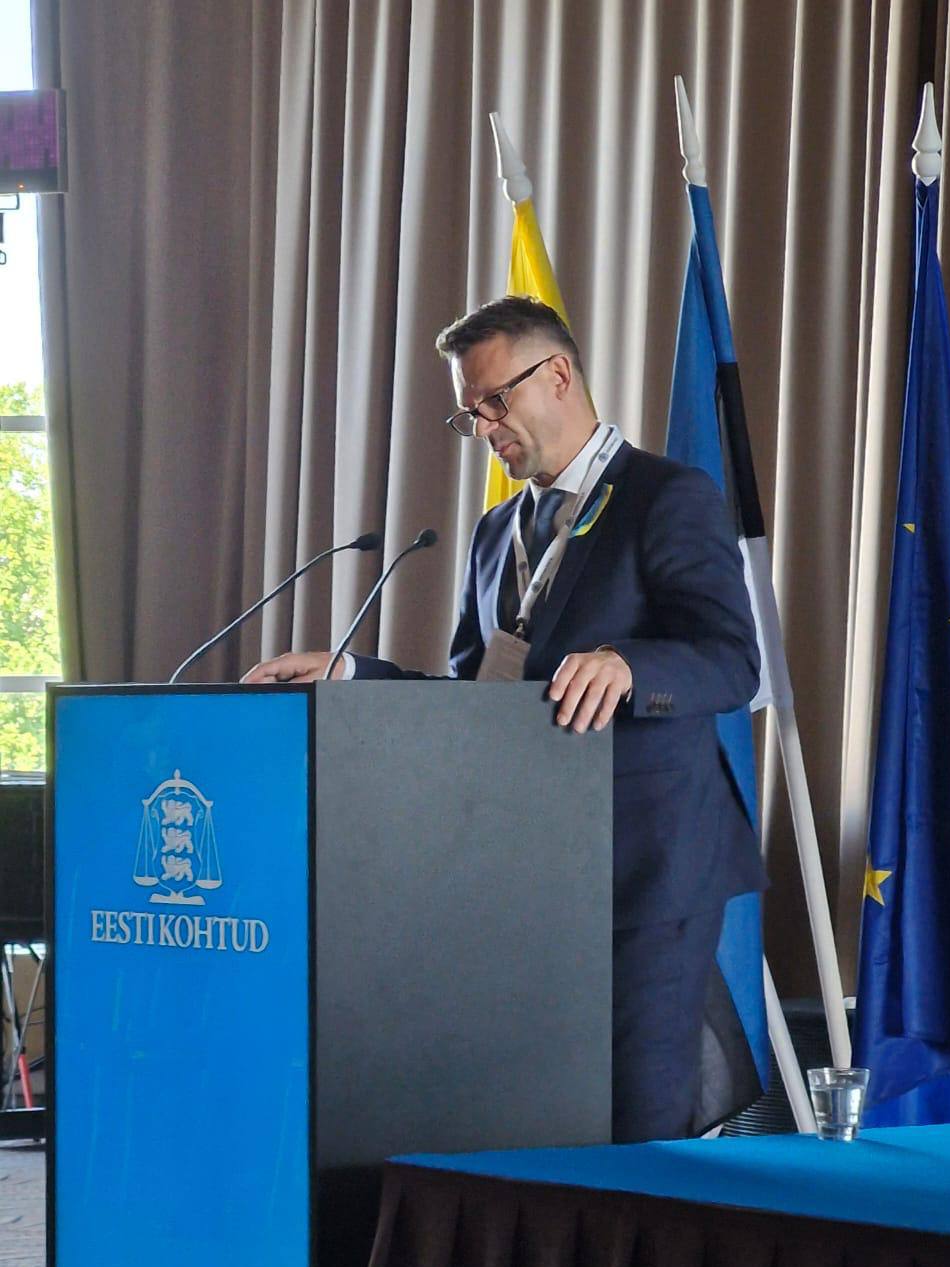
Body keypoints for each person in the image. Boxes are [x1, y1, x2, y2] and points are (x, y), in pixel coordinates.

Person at [244, 295, 766, 1140]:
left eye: (494, 401)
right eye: (471, 413)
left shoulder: (667, 497)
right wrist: (352, 673)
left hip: (648, 867)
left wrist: (631, 664)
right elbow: (475, 701)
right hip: (523, 873)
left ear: (557, 375)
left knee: (641, 1120)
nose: (484, 428)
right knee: (539, 1119)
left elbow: (733, 660)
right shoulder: (494, 534)